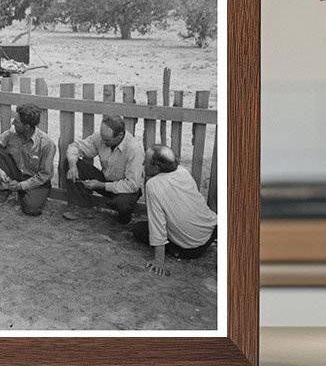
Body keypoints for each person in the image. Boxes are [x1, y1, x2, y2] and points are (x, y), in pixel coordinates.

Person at [133, 144, 217, 277]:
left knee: (138, 229)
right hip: (211, 231)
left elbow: (157, 225)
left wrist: (159, 261)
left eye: (146, 162)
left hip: (191, 249)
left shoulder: (152, 185)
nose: (143, 163)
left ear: (156, 167)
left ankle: (175, 251)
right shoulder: (183, 171)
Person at [61, 115, 143, 224]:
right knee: (70, 161)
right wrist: (72, 166)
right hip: (105, 180)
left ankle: (124, 220)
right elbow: (75, 147)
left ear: (120, 135)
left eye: (107, 140)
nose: (103, 142)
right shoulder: (101, 137)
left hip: (126, 189)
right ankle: (82, 208)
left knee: (122, 204)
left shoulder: (134, 148)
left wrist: (101, 185)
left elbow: (132, 185)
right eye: (102, 137)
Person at [0, 104, 56, 216]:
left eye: (16, 122)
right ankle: (12, 189)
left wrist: (21, 186)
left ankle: (16, 191)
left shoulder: (46, 144)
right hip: (16, 173)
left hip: (35, 180)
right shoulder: (11, 133)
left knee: (32, 210)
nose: (13, 123)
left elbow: (45, 175)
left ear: (26, 127)